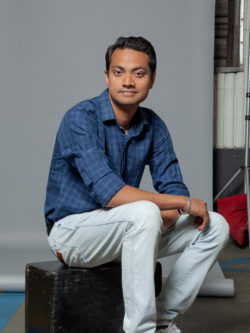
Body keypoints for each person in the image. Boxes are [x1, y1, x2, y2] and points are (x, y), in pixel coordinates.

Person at [44, 36, 229, 333]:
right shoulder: (79, 118)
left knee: (215, 225)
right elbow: (111, 194)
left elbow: (173, 186)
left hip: (128, 230)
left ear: (152, 79)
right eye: (119, 72)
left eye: (138, 73)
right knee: (144, 212)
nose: (128, 81)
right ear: (106, 76)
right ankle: (140, 331)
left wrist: (170, 211)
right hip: (72, 235)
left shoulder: (153, 124)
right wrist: (178, 205)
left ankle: (162, 320)